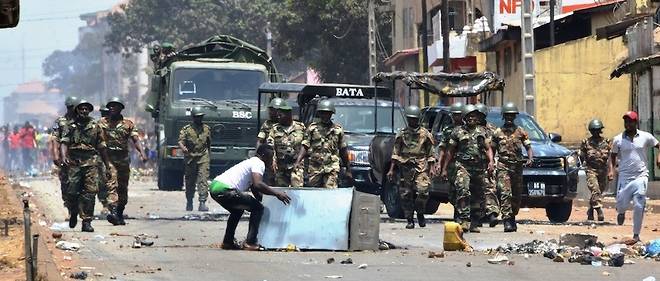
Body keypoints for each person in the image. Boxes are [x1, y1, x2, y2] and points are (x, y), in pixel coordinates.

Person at [209, 144, 291, 250]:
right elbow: (258, 184)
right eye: (270, 156)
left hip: (215, 187)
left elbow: (255, 189)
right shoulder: (258, 162)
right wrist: (277, 193)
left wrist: (266, 201)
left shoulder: (251, 162)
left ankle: (228, 242)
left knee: (237, 211)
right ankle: (250, 242)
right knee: (258, 208)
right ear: (263, 155)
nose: (271, 159)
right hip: (225, 189)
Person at [60, 100, 113, 232]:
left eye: (86, 109)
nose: (84, 111)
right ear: (77, 110)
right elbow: (64, 142)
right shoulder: (70, 126)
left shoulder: (95, 126)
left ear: (89, 111)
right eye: (81, 109)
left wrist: (107, 165)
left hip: (90, 162)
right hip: (74, 162)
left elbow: (102, 146)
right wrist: (64, 156)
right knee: (71, 192)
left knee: (90, 193)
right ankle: (73, 212)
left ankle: (87, 221)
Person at [441, 104, 495, 232]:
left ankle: (475, 222)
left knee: (478, 196)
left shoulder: (483, 131)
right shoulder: (457, 131)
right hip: (462, 167)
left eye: (474, 116)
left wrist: (491, 162)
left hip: (478, 168)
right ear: (465, 117)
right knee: (463, 190)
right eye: (469, 116)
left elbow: (488, 149)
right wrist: (444, 168)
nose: (472, 118)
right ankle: (464, 220)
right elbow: (450, 151)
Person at [608, 111, 660, 241]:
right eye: (626, 121)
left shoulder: (645, 136)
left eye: (630, 121)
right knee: (621, 204)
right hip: (625, 177)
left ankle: (636, 235)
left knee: (639, 205)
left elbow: (659, 145)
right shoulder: (618, 139)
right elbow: (612, 156)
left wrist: (659, 157)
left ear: (635, 122)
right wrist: (611, 170)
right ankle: (621, 212)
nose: (628, 124)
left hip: (641, 176)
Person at [100, 97, 148, 226]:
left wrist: (142, 154)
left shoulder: (128, 124)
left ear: (121, 108)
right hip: (108, 159)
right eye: (110, 106)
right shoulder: (101, 123)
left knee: (122, 188)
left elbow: (136, 140)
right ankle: (114, 212)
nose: (112, 108)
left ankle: (120, 213)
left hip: (123, 160)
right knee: (111, 185)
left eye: (115, 106)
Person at [387, 105, 435, 229]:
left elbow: (430, 152)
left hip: (421, 165)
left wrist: (432, 167)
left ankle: (420, 212)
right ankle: (409, 219)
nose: (412, 121)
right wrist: (391, 170)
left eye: (415, 119)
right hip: (405, 166)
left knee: (423, 191)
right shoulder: (402, 134)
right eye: (410, 119)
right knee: (406, 194)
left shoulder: (425, 134)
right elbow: (395, 152)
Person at [491, 102, 533, 232]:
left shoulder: (520, 131)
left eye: (512, 116)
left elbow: (528, 146)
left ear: (515, 117)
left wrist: (530, 158)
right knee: (505, 193)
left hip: (517, 168)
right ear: (503, 116)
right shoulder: (497, 132)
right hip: (504, 166)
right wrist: (491, 162)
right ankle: (507, 220)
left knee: (516, 195)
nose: (509, 118)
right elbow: (492, 149)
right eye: (507, 115)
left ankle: (512, 216)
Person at [295, 99, 352, 188]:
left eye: (327, 113)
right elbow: (305, 145)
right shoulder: (312, 128)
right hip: (315, 167)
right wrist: (298, 161)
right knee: (313, 192)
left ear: (331, 114)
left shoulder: (338, 130)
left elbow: (343, 150)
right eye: (323, 113)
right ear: (319, 114)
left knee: (330, 191)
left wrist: (348, 169)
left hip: (331, 167)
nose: (325, 116)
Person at [433, 102, 463, 221]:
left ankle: (460, 215)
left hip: (463, 163)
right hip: (450, 163)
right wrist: (440, 164)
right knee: (452, 191)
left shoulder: (467, 129)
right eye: (454, 115)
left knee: (462, 188)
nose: (456, 117)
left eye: (458, 115)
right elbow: (443, 148)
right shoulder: (448, 130)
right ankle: (457, 209)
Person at [178, 106, 211, 211]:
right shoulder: (186, 130)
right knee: (190, 181)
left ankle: (202, 202)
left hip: (203, 157)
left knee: (203, 180)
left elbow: (209, 144)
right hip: (190, 158)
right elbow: (180, 141)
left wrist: (208, 156)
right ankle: (189, 201)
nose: (199, 119)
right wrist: (183, 148)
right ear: (193, 117)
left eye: (201, 117)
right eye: (197, 117)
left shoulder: (206, 129)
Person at [267, 100, 306, 187]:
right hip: (281, 167)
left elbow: (306, 145)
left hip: (296, 166)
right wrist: (273, 160)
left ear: (288, 115)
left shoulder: (301, 127)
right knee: (281, 191)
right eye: (278, 115)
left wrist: (299, 161)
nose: (278, 117)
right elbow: (270, 146)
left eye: (281, 115)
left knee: (297, 191)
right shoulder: (275, 129)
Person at [51, 96, 78, 218]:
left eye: (73, 107)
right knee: (66, 185)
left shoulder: (83, 120)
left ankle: (82, 210)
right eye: (69, 107)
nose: (71, 109)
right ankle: (70, 209)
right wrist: (56, 156)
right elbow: (55, 139)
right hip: (65, 158)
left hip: (81, 157)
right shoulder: (60, 121)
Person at [579, 119, 611, 221]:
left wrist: (611, 171)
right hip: (591, 170)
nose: (595, 132)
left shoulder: (607, 142)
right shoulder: (586, 142)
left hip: (603, 170)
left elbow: (611, 158)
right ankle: (599, 210)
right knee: (595, 189)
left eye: (597, 130)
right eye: (593, 130)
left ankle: (590, 210)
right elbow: (581, 157)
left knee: (598, 193)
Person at [475, 103, 499, 227]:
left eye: (481, 115)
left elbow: (497, 147)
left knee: (490, 188)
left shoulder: (492, 130)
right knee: (475, 190)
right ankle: (477, 215)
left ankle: (492, 214)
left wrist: (493, 162)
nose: (478, 117)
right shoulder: (469, 129)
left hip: (488, 163)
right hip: (472, 164)